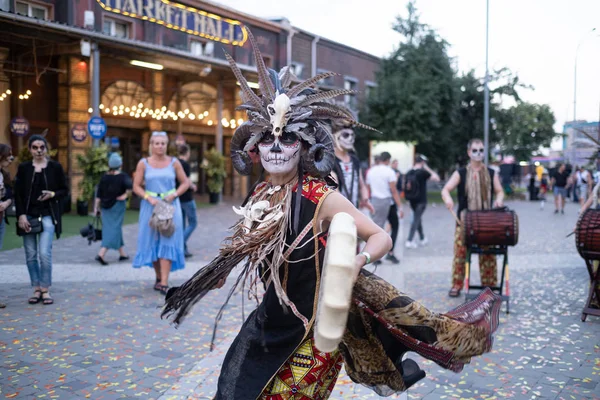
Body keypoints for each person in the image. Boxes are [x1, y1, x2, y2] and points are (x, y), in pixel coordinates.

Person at [163, 35, 502, 400]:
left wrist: (357, 260)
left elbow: (380, 237)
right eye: (268, 140)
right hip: (270, 322)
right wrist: (213, 276)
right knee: (235, 390)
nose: (277, 148)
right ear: (254, 148)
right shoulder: (260, 194)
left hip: (314, 329)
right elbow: (246, 246)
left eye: (288, 140)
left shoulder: (319, 196)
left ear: (305, 146)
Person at [441, 139, 504, 297]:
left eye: (481, 150)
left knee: (488, 254)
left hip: (485, 221)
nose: (478, 153)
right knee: (460, 254)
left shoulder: (491, 172)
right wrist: (448, 199)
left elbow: (500, 191)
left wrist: (499, 199)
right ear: (469, 152)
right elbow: (445, 189)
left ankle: (488, 285)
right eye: (475, 150)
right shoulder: (460, 172)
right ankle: (457, 285)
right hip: (464, 221)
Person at [132, 131, 189, 295]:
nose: (160, 146)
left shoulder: (174, 162)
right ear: (151, 145)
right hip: (150, 206)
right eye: (156, 143)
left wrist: (174, 194)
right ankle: (158, 277)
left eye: (163, 143)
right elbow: (136, 186)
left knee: (168, 239)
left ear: (166, 145)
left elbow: (185, 183)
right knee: (152, 242)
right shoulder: (143, 163)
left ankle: (164, 281)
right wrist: (147, 197)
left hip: (170, 207)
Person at [14, 135, 69, 305]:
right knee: (30, 255)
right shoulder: (23, 168)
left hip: (48, 214)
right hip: (28, 215)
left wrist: (52, 194)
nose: (39, 150)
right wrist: (21, 215)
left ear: (46, 149)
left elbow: (64, 190)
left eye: (42, 147)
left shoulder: (55, 167)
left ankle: (45, 289)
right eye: (35, 147)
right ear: (30, 149)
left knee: (44, 253)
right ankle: (36, 288)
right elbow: (18, 194)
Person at [93, 153, 132, 265]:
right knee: (114, 228)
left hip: (105, 207)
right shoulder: (123, 176)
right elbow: (130, 187)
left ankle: (122, 254)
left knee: (114, 228)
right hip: (117, 206)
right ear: (120, 164)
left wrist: (96, 207)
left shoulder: (104, 177)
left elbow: (98, 194)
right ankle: (101, 253)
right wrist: (125, 196)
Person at [366, 152, 403, 264]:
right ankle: (384, 254)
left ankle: (379, 255)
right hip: (387, 201)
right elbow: (393, 190)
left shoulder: (371, 171)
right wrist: (400, 207)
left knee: (378, 227)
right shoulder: (389, 171)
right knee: (392, 227)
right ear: (387, 160)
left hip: (376, 200)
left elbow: (368, 187)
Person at [404, 154, 440, 249]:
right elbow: (436, 178)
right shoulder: (423, 172)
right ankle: (409, 240)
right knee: (416, 219)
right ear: (423, 162)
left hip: (412, 200)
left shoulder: (409, 172)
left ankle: (422, 238)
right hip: (421, 200)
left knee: (417, 218)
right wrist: (427, 168)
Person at [0, 144, 14, 308]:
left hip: (1, 218)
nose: (11, 159)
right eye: (8, 155)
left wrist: (6, 202)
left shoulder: (4, 174)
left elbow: (11, 193)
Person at [177, 144, 197, 258]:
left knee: (182, 225)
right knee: (193, 223)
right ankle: (179, 244)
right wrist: (193, 186)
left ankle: (183, 251)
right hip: (187, 198)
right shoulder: (185, 165)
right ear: (187, 152)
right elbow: (187, 181)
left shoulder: (175, 164)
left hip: (178, 197)